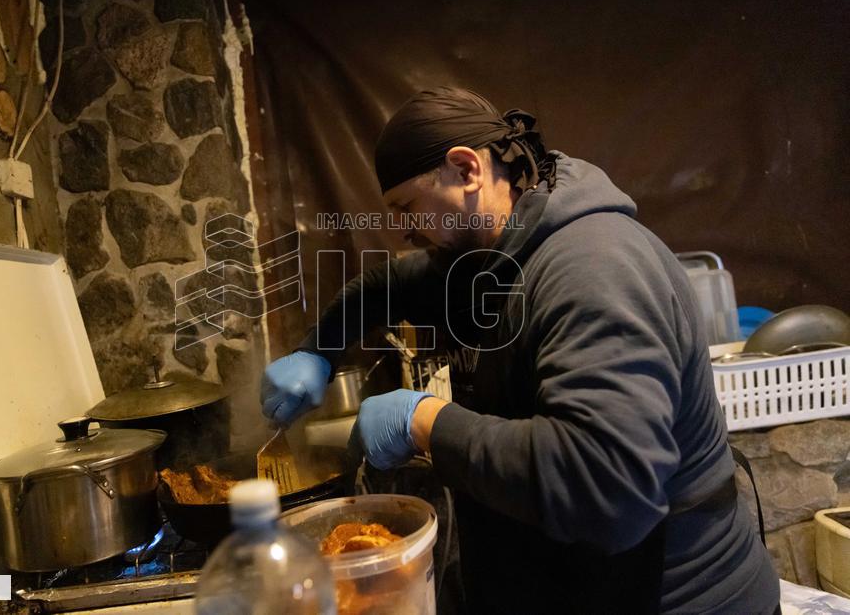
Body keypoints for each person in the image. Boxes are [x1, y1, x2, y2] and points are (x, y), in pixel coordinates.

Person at [260, 87, 780, 613]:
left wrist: (427, 422)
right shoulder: (485, 252)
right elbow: (380, 288)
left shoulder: (592, 269)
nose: (403, 230)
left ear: (466, 171)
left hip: (674, 599)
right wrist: (319, 351)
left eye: (406, 207)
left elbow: (606, 488)